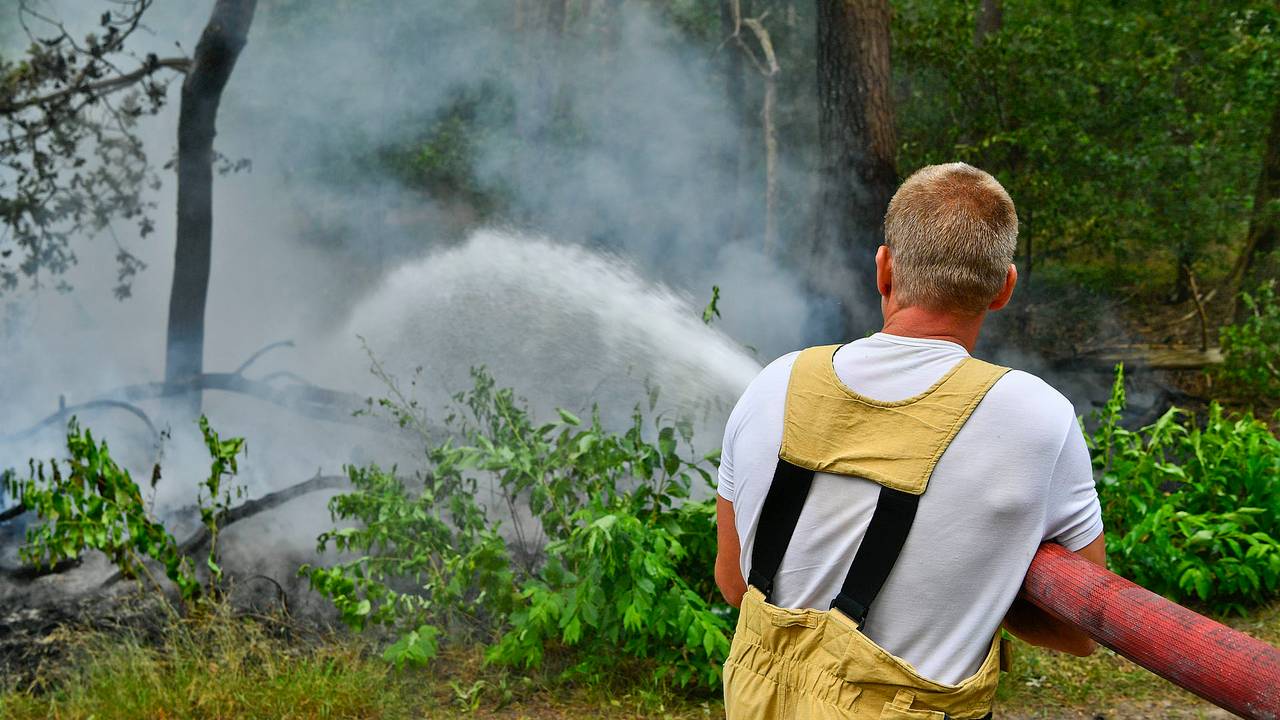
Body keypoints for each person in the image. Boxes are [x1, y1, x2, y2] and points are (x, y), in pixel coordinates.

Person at [715, 163, 1105, 720]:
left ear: (883, 269)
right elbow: (1077, 630)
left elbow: (734, 582)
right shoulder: (1039, 418)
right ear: (1004, 289)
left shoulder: (771, 384)